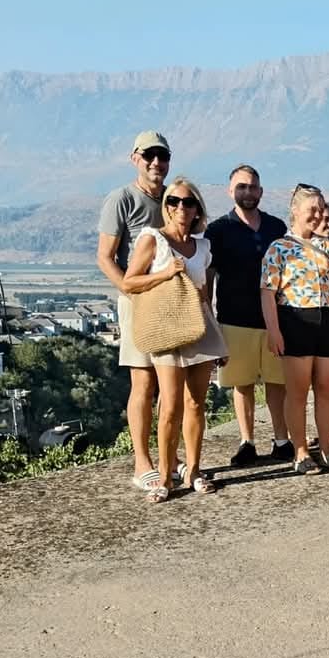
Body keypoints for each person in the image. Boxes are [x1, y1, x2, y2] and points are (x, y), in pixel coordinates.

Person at [122, 178, 228, 502]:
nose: (181, 207)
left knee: (196, 403)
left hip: (199, 327)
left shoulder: (203, 247)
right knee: (170, 405)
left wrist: (218, 338)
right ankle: (166, 476)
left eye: (188, 202)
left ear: (197, 209)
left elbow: (205, 295)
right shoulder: (153, 239)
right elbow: (129, 282)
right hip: (166, 329)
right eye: (174, 201)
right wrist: (165, 274)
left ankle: (193, 470)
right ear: (166, 207)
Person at [260, 184, 329, 474]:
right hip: (295, 321)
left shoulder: (328, 247)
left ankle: (328, 449)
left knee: (327, 388)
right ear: (295, 211)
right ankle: (301, 451)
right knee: (298, 391)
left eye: (321, 209)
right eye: (312, 210)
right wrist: (274, 330)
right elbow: (267, 292)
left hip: (327, 320)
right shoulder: (279, 248)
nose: (318, 215)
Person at [96, 130, 169, 492]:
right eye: (149, 155)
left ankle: (168, 456)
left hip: (171, 302)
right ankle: (142, 462)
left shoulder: (173, 199)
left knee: (171, 382)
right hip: (138, 301)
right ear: (135, 158)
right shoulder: (121, 199)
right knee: (143, 380)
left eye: (162, 156)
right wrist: (129, 289)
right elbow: (105, 257)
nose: (156, 162)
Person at [205, 164, 291, 467]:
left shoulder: (276, 227)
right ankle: (247, 442)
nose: (248, 192)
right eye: (242, 186)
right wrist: (210, 322)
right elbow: (209, 279)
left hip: (274, 320)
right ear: (230, 191)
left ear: (261, 191)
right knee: (242, 384)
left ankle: (282, 440)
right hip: (233, 319)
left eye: (253, 186)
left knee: (277, 383)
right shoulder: (217, 230)